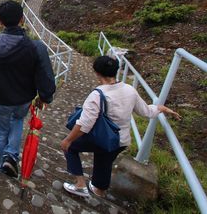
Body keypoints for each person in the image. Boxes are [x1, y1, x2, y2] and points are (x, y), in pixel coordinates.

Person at [60, 55, 181, 198]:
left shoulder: (97, 95)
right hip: (120, 141)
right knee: (104, 160)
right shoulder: (130, 90)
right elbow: (146, 111)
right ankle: (99, 190)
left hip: (103, 139)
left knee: (71, 147)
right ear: (115, 71)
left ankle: (80, 185)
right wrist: (162, 108)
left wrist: (68, 140)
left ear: (97, 72)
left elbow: (84, 124)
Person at [0, 0, 56, 178]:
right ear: (22, 19)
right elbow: (46, 77)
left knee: (1, 132)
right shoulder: (36, 46)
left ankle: (4, 163)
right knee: (17, 122)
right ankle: (11, 157)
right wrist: (45, 97)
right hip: (23, 99)